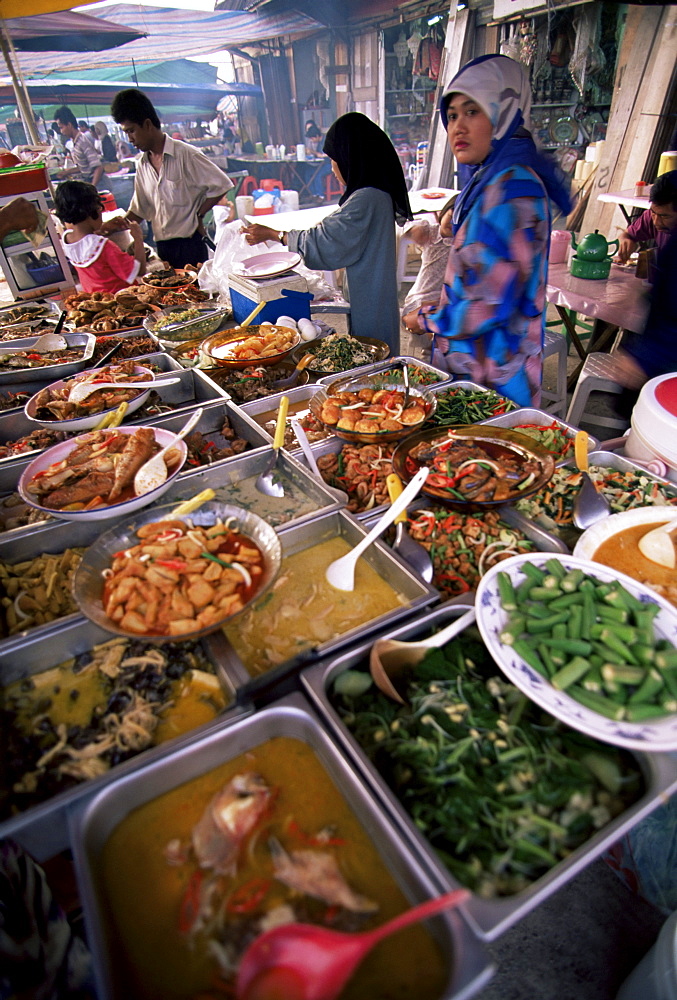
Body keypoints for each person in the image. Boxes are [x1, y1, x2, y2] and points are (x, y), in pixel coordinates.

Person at [421, 54, 571, 407]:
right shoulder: (492, 179)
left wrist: (425, 318)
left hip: (494, 382)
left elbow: (486, 307)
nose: (457, 126)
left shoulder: (512, 190)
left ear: (505, 112)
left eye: (473, 111)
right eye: (453, 114)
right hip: (472, 370)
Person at [242, 111, 412, 355]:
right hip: (372, 293)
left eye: (334, 158)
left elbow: (327, 242)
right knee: (372, 351)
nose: (332, 168)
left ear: (350, 157)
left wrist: (276, 235)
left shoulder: (367, 198)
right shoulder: (373, 194)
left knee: (374, 354)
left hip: (371, 298)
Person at [110, 88, 232, 269]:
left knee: (198, 293)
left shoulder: (186, 155)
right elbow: (140, 209)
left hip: (190, 244)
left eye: (132, 131)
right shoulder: (142, 164)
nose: (130, 139)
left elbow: (222, 184)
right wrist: (114, 225)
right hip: (163, 246)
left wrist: (199, 214)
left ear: (148, 124)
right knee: (171, 295)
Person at [54, 180, 146, 294]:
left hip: (96, 301)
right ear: (93, 211)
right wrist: (138, 238)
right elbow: (139, 271)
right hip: (121, 300)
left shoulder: (67, 239)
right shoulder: (105, 246)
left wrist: (102, 229)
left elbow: (86, 241)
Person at [401, 197, 454, 341]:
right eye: (450, 216)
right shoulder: (431, 233)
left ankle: (430, 352)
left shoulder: (460, 242)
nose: (452, 223)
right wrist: (414, 231)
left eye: (458, 220)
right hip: (420, 297)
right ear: (442, 213)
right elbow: (406, 226)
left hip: (443, 300)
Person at [617, 169, 677, 262]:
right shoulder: (653, 215)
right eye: (653, 212)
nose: (656, 222)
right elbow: (628, 234)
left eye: (665, 216)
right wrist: (626, 240)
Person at [54, 106, 103, 188]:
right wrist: (66, 172)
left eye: (61, 127)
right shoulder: (75, 142)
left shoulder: (82, 141)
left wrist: (92, 188)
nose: (61, 131)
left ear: (69, 125)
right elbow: (84, 167)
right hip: (90, 182)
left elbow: (98, 167)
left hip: (100, 184)